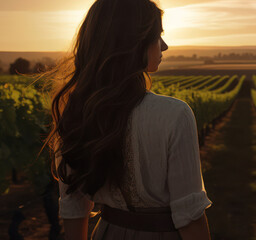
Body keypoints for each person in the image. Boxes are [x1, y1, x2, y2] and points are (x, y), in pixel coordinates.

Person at [37, 0, 213, 239]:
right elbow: (190, 218)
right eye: (156, 36)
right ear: (133, 43)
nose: (165, 45)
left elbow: (74, 210)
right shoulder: (174, 115)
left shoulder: (76, 115)